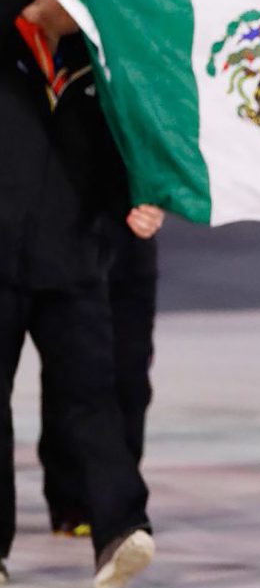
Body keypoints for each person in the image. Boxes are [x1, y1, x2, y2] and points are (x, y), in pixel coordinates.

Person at [0, 0, 157, 588]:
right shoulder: (5, 41)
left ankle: (120, 527)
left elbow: (119, 156)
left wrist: (138, 202)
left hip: (73, 262)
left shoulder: (96, 69)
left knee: (95, 396)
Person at [40, 224, 159, 537]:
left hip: (130, 238)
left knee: (131, 379)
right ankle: (74, 500)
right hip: (66, 238)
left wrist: (156, 203)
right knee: (73, 375)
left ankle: (117, 502)